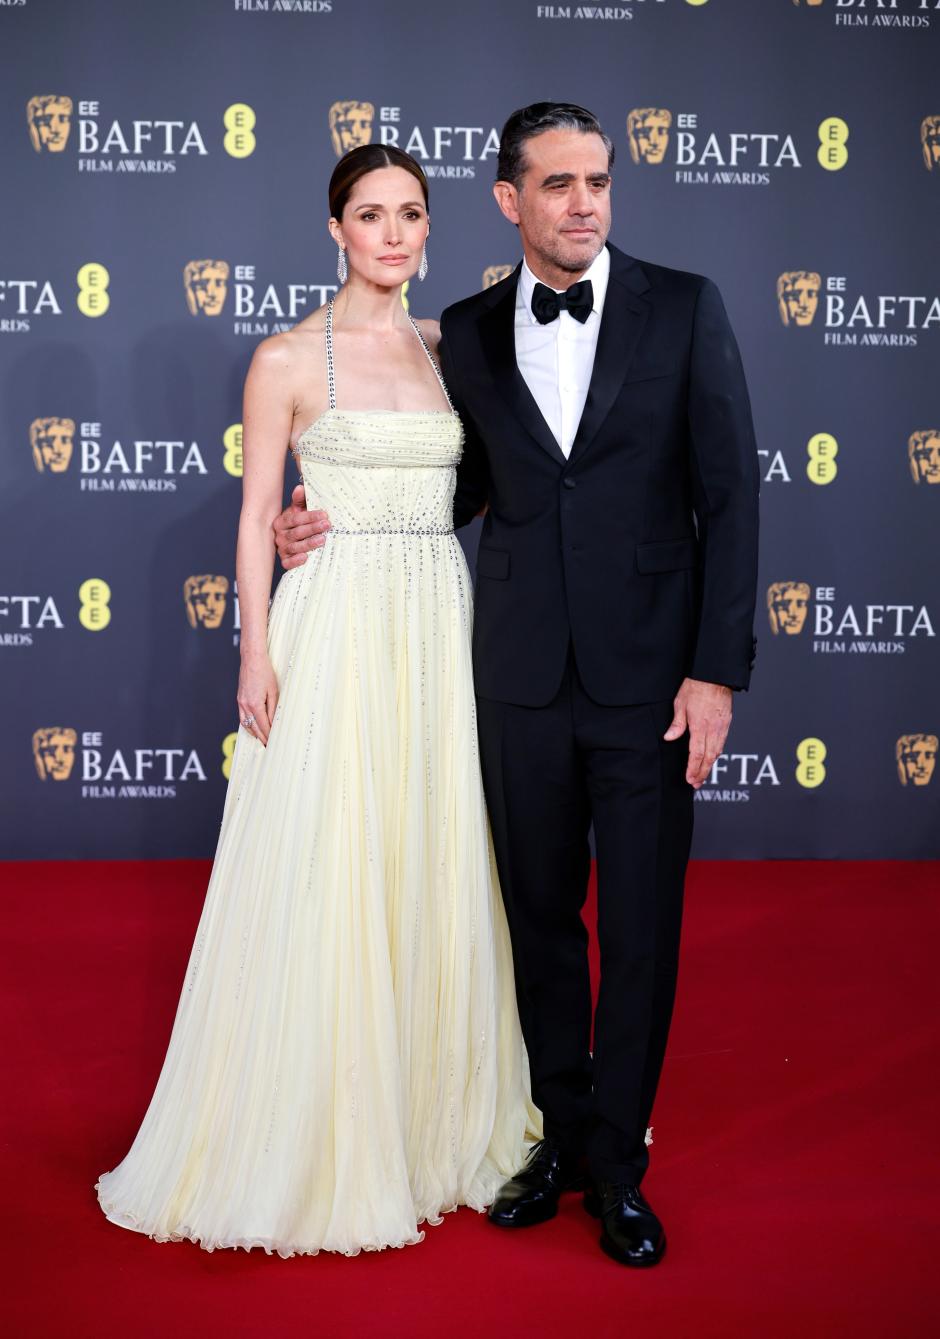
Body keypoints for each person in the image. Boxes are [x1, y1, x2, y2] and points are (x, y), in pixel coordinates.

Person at [274, 103, 760, 1267]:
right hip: (514, 676)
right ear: (509, 202)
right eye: (557, 184)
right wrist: (327, 524)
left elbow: (732, 496)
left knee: (639, 930)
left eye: (598, 180)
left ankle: (619, 1166)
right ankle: (556, 1131)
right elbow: (462, 486)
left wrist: (714, 673)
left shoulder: (684, 306)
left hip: (649, 679)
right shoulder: (473, 332)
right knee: (535, 920)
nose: (583, 202)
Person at [96, 143, 540, 1258]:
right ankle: (317, 1135)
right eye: (369, 215)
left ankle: (431, 1122)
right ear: (333, 230)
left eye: (409, 215)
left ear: (430, 229)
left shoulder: (457, 349)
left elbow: (498, 479)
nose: (392, 235)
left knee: (427, 853)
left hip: (436, 621)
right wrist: (255, 654)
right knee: (329, 860)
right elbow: (257, 516)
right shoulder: (288, 356)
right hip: (334, 622)